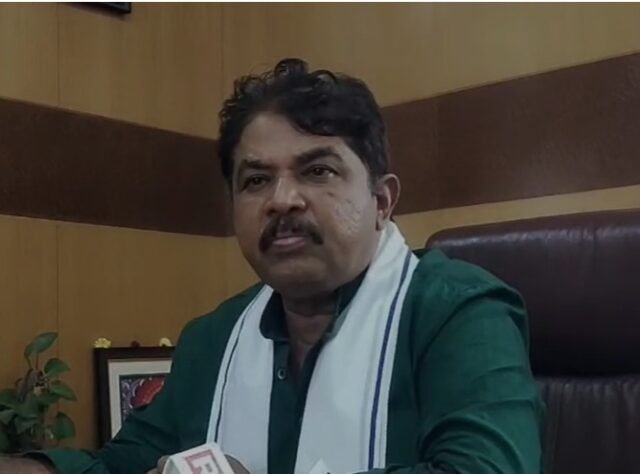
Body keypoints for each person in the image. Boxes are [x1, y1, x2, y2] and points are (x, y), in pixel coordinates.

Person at [0, 58, 542, 474]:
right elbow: (125, 465)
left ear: (382, 202)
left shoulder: (460, 312)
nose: (282, 200)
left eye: (318, 171)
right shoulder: (214, 337)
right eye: (256, 180)